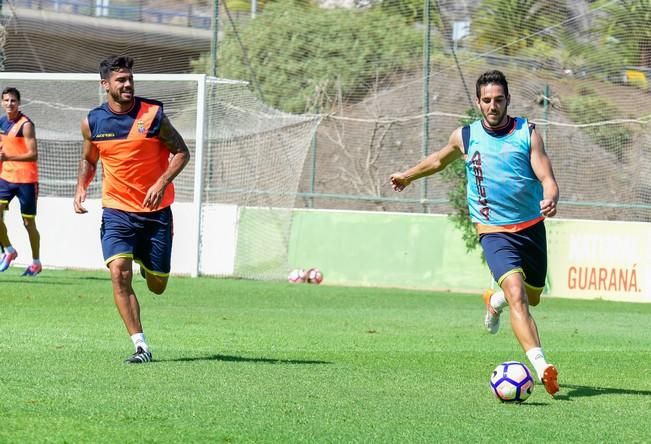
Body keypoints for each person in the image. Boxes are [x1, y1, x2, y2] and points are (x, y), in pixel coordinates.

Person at [389, 70, 560, 396]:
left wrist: (550, 196)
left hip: (531, 227)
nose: (492, 106)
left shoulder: (528, 133)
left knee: (532, 297)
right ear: (478, 102)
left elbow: (546, 175)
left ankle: (493, 302)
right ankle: (542, 366)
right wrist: (408, 176)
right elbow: (438, 161)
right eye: (486, 100)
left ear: (507, 100)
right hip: (492, 230)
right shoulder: (466, 136)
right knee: (517, 294)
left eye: (498, 100)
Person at [73, 55, 190, 364]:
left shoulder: (153, 115)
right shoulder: (93, 122)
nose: (127, 84)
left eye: (129, 79)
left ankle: (145, 259)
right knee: (118, 273)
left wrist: (161, 182)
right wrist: (82, 184)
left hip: (156, 213)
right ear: (105, 85)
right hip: (117, 211)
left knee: (157, 285)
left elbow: (181, 152)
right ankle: (141, 346)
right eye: (120, 80)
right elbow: (89, 159)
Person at [0, 87, 42, 276]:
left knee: (28, 223)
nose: (10, 104)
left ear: (19, 103)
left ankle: (36, 262)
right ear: (2, 102)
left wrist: (8, 157)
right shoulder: (1, 122)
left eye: (13, 101)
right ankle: (9, 250)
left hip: (26, 180)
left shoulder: (26, 125)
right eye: (6, 100)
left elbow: (33, 154)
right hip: (6, 178)